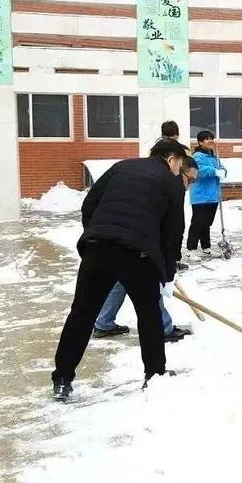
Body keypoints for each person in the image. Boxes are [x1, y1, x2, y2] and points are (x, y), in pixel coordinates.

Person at [51, 138, 188, 400]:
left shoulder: (121, 166)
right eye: (179, 164)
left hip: (97, 249)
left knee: (81, 314)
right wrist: (167, 274)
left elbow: (89, 205)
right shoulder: (171, 182)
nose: (178, 170)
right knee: (148, 315)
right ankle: (155, 375)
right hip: (136, 255)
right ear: (171, 159)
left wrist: (97, 234)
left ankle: (62, 378)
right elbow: (173, 233)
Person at [92, 157, 198, 343]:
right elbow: (171, 231)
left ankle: (104, 323)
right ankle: (163, 328)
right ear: (178, 168)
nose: (189, 186)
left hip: (115, 236)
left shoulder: (149, 179)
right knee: (149, 281)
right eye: (190, 180)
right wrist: (166, 265)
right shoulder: (168, 188)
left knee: (121, 280)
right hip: (135, 240)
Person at [187, 130, 226, 258]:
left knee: (207, 223)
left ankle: (206, 246)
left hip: (213, 195)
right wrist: (215, 171)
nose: (210, 141)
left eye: (211, 138)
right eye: (207, 139)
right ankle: (191, 249)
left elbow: (221, 167)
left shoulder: (214, 156)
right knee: (198, 223)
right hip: (201, 196)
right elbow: (199, 170)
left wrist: (223, 171)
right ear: (200, 142)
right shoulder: (197, 156)